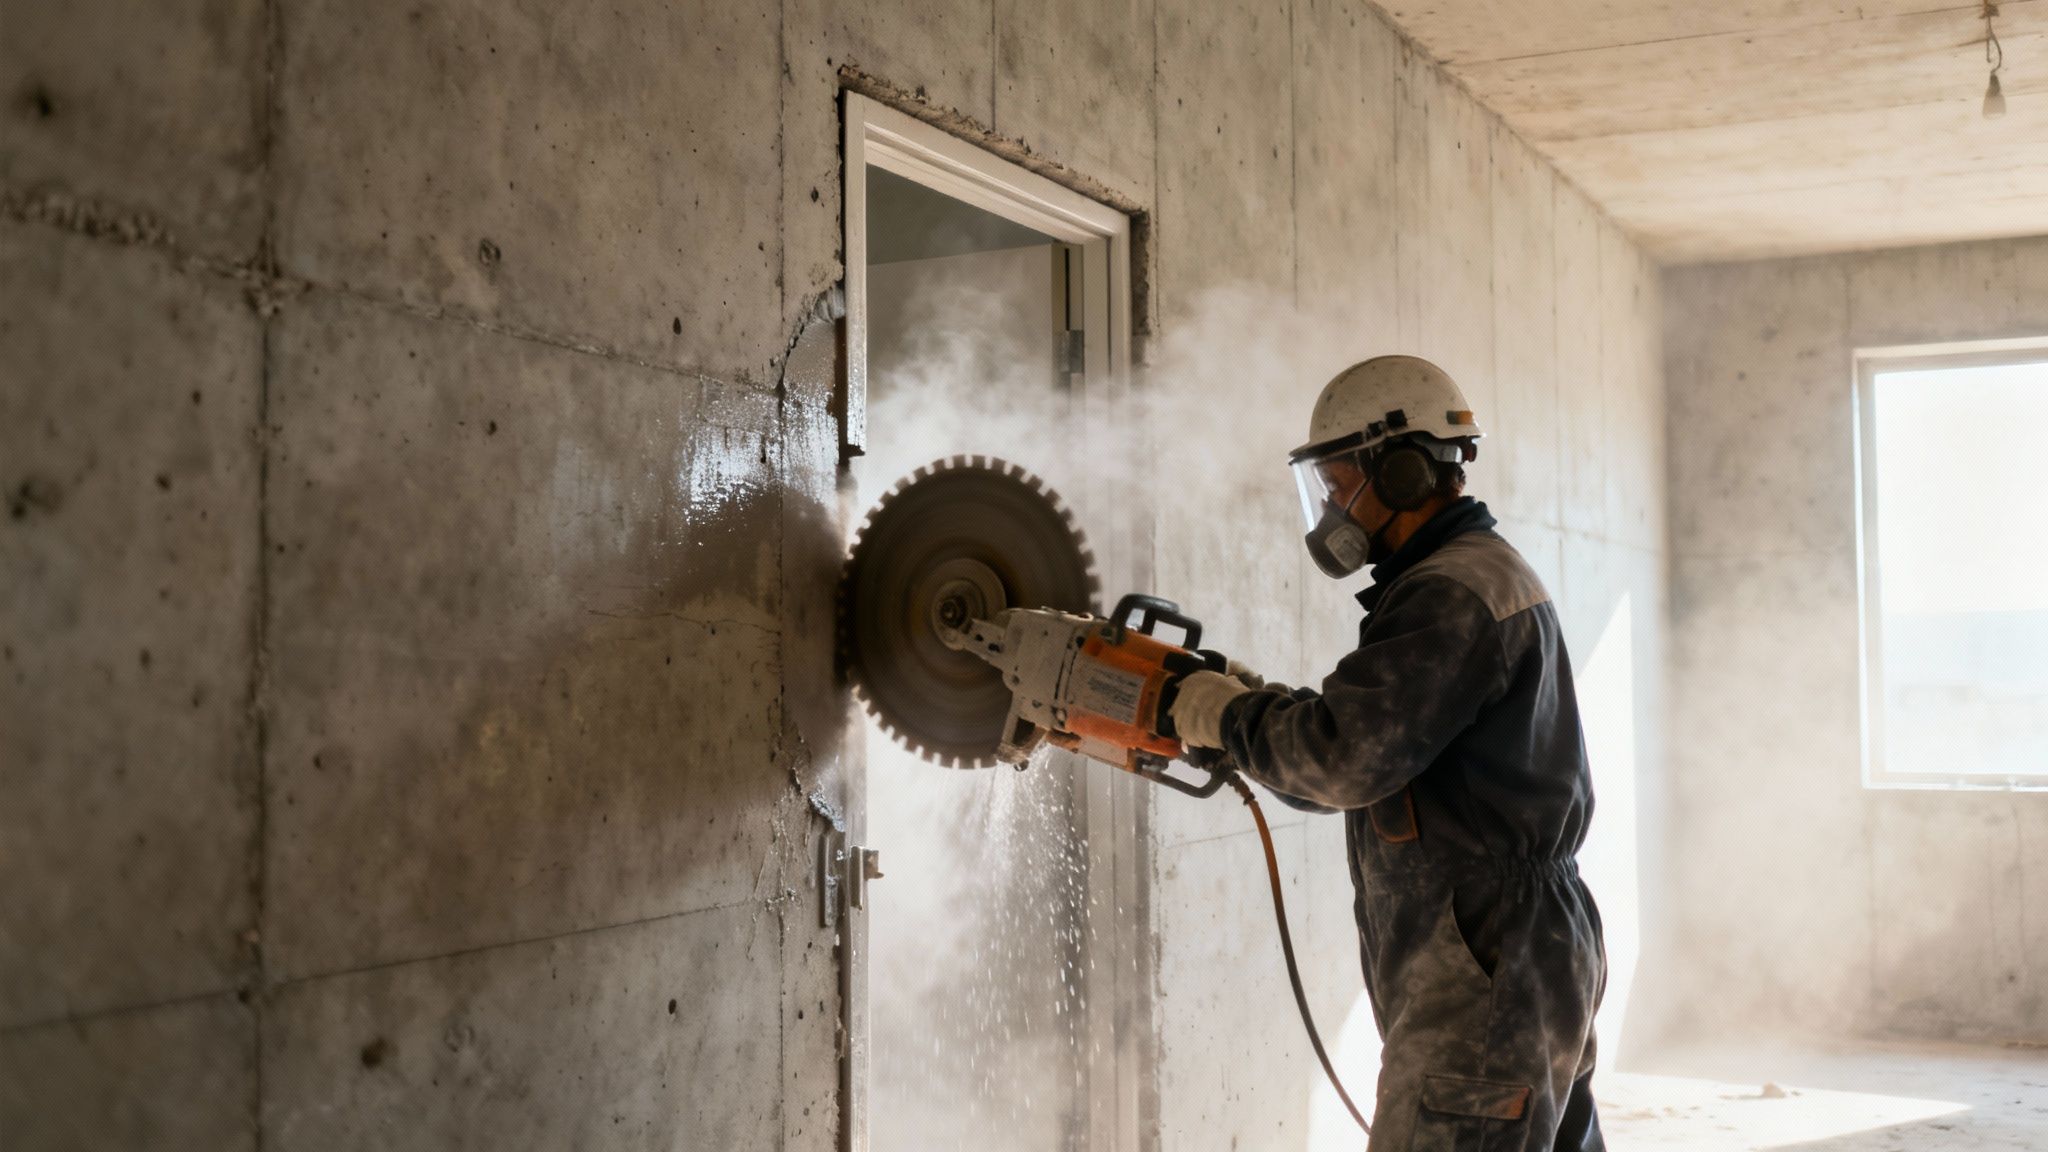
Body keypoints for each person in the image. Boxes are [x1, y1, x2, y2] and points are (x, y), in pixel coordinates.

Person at [1169, 356, 1607, 1151]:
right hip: (1526, 944)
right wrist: (1247, 705)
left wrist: (1223, 718)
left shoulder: (1449, 594)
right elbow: (1374, 742)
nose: (1332, 505)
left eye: (1339, 483)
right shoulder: (1473, 577)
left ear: (1401, 469)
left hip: (1488, 961)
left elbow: (1342, 762)